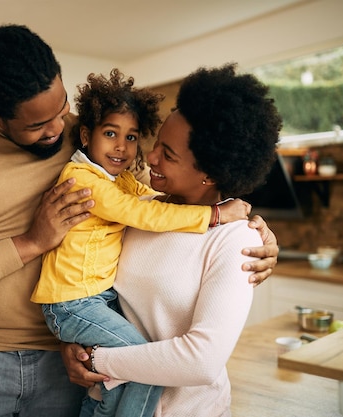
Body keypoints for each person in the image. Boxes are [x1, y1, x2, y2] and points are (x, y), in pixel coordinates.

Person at [0, 16, 279, 417]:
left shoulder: (92, 136)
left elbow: (164, 190)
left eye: (63, 110)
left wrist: (252, 231)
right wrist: (31, 242)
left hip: (69, 359)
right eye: (39, 124)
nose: (59, 129)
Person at [62, 63, 282, 417]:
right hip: (105, 404)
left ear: (210, 174)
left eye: (168, 154)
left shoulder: (235, 239)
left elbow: (201, 361)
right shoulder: (136, 210)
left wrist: (100, 358)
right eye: (156, 143)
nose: (150, 157)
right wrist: (75, 347)